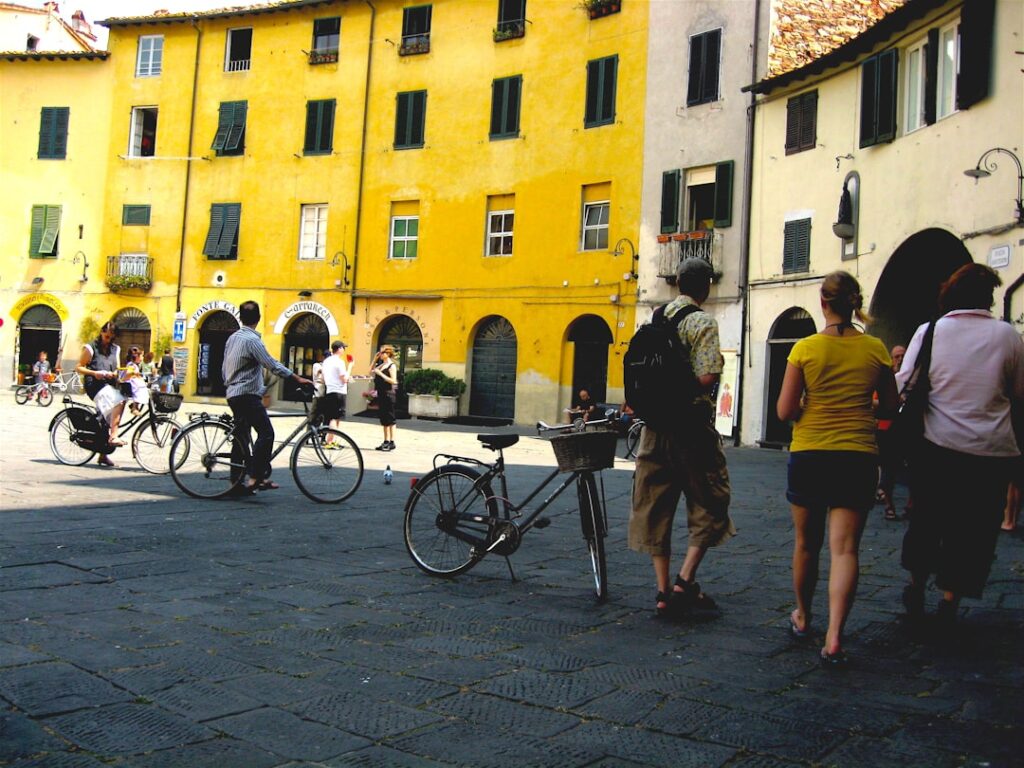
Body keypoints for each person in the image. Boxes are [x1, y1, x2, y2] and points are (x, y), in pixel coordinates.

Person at [776, 271, 897, 666]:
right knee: (845, 549)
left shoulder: (805, 349)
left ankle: (803, 616)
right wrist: (867, 406)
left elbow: (785, 411)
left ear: (822, 302)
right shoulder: (876, 349)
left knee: (806, 544)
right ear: (853, 302)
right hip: (858, 455)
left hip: (811, 452)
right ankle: (833, 637)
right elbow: (892, 408)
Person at [898, 264, 1024, 628]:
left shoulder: (931, 332)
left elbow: (905, 383)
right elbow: (1018, 394)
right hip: (991, 452)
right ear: (989, 298)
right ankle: (951, 600)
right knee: (974, 530)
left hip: (938, 446)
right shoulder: (1008, 337)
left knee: (927, 520)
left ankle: (917, 585)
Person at [628, 257, 735, 620]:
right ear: (705, 286)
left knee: (655, 505)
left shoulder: (654, 320)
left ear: (676, 282)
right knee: (710, 499)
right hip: (690, 429)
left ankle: (661, 590)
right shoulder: (702, 322)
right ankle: (684, 580)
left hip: (654, 428)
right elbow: (706, 379)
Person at [222, 301, 312, 492]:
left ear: (240, 317)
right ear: (259, 318)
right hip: (247, 394)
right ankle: (256, 478)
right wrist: (297, 378)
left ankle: (235, 482)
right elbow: (271, 364)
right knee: (266, 433)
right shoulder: (253, 341)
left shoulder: (232, 339)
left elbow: (224, 369)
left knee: (241, 437)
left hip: (233, 394)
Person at [75, 321, 127, 466]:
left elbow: (117, 369)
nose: (108, 340)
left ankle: (102, 455)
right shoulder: (90, 348)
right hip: (95, 385)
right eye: (106, 337)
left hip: (108, 384)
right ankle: (113, 436)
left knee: (107, 419)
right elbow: (79, 367)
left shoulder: (115, 349)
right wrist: (94, 373)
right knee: (119, 401)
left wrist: (119, 374)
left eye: (111, 338)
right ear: (101, 333)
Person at [875, 344, 906, 521]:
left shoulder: (911, 378)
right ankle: (888, 503)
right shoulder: (886, 377)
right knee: (887, 465)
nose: (900, 360)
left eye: (903, 356)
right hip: (884, 427)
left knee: (892, 468)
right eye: (897, 356)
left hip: (903, 428)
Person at [321, 340, 354, 446]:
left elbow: (323, 377)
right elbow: (344, 379)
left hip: (329, 390)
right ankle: (329, 441)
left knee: (334, 416)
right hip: (339, 391)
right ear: (339, 349)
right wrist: (350, 366)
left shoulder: (326, 361)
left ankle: (332, 440)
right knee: (335, 418)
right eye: (343, 348)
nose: (344, 350)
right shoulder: (339, 362)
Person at [371, 345, 399, 451]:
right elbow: (370, 370)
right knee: (384, 419)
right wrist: (374, 359)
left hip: (388, 394)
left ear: (387, 354)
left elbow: (394, 381)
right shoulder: (381, 365)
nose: (380, 354)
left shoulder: (391, 366)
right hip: (381, 394)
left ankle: (392, 441)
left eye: (382, 352)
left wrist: (381, 375)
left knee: (390, 419)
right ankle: (385, 441)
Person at [123, 346, 151, 415]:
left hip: (133, 382)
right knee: (141, 389)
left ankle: (135, 405)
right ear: (136, 357)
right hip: (130, 383)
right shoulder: (132, 365)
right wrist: (135, 373)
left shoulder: (135, 365)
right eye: (142, 355)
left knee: (143, 388)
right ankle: (134, 408)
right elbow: (128, 373)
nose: (143, 357)